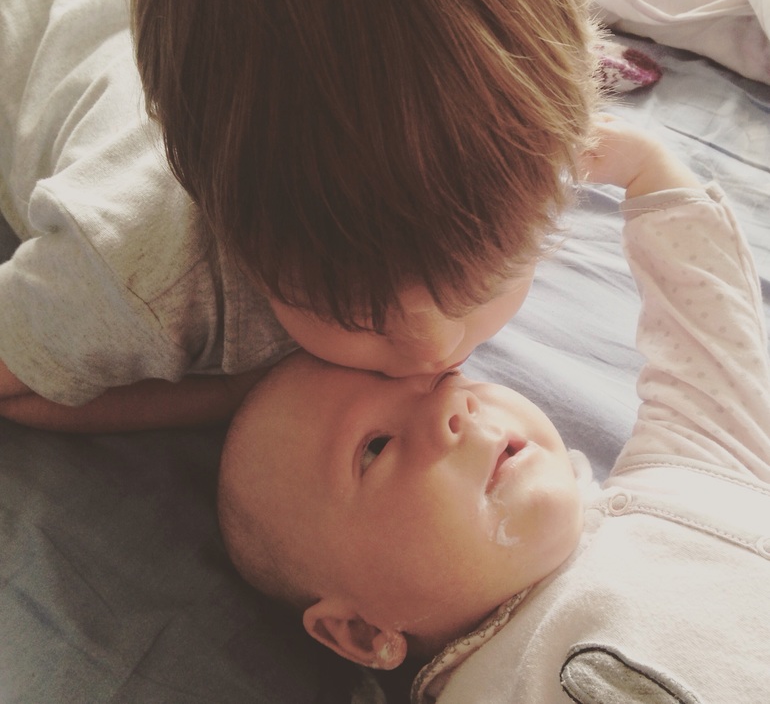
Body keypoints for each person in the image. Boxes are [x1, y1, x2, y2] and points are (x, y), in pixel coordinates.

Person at [218, 119, 770, 702]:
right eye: (375, 448)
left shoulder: (690, 470)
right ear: (362, 631)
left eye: (446, 383)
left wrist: (648, 170)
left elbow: (710, 347)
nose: (456, 409)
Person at [0, 0, 598, 432]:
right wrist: (232, 394)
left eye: (489, 276)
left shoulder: (535, 137)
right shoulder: (132, 277)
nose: (434, 349)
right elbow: (13, 387)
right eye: (358, 315)